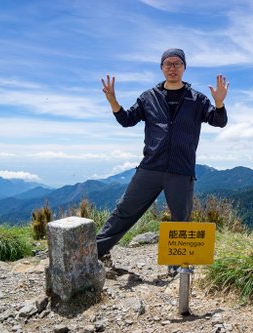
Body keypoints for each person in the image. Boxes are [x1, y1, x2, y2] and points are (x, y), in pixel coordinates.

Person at [97, 48, 229, 270]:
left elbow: (219, 121)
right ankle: (95, 251)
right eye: (167, 63)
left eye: (177, 63)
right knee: (124, 211)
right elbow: (127, 120)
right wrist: (113, 101)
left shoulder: (197, 99)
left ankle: (178, 267)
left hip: (181, 170)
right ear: (161, 68)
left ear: (184, 67)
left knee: (180, 221)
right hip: (150, 167)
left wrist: (219, 103)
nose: (172, 68)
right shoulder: (148, 97)